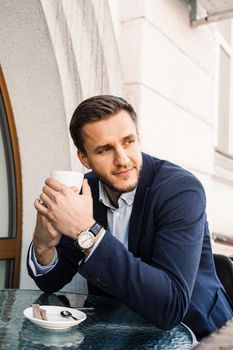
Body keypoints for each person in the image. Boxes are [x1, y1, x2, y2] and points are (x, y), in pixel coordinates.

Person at [27, 95, 233, 339]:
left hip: (196, 333)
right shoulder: (86, 191)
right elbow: (51, 282)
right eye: (104, 149)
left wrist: (87, 232)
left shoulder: (180, 190)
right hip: (119, 331)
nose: (122, 160)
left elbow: (171, 306)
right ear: (84, 158)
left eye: (128, 142)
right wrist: (43, 245)